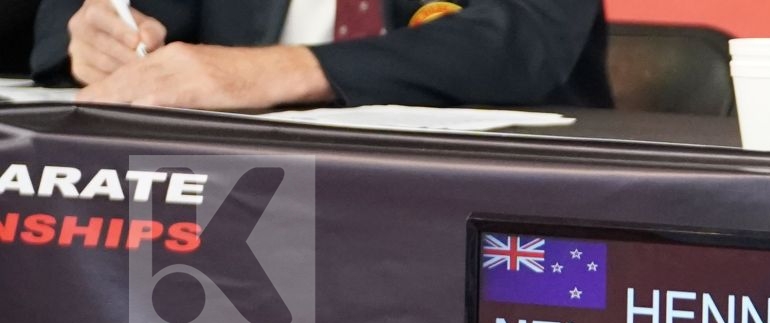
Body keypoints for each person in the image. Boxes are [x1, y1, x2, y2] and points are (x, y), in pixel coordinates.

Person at [31, 0, 611, 110]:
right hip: (238, 194)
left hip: (475, 199)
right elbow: (85, 11)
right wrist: (92, 35)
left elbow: (526, 36)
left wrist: (285, 70)